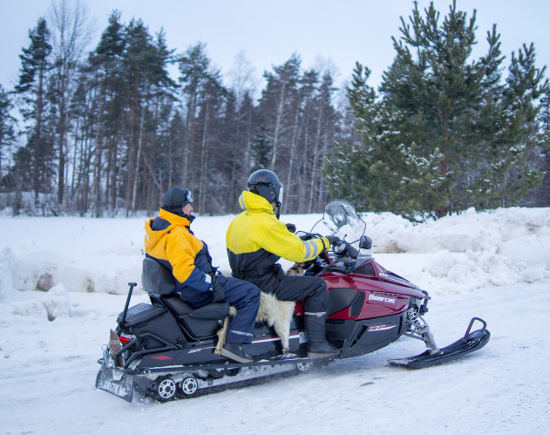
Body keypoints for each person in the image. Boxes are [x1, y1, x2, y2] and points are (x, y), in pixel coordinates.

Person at [226, 169, 340, 358]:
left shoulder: (239, 221)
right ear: (270, 192)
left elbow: (257, 248)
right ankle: (317, 345)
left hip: (242, 282)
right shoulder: (266, 222)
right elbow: (300, 252)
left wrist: (285, 232)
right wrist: (326, 242)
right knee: (317, 285)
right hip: (266, 284)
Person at [145, 187, 261, 363]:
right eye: (187, 205)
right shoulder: (176, 234)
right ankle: (235, 345)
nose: (191, 208)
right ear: (178, 207)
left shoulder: (160, 229)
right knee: (251, 292)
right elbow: (185, 272)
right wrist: (212, 284)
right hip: (197, 290)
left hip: (184, 289)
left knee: (237, 284)